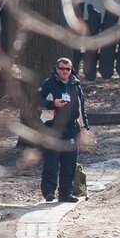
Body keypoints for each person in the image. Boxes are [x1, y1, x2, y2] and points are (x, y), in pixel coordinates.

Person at [37, 57, 89, 202]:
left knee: (69, 163)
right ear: (56, 68)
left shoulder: (75, 84)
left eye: (68, 69)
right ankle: (48, 191)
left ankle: (65, 193)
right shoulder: (48, 84)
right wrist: (53, 104)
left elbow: (81, 107)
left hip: (70, 129)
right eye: (62, 69)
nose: (65, 71)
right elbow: (36, 101)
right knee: (51, 162)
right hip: (52, 128)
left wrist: (84, 128)